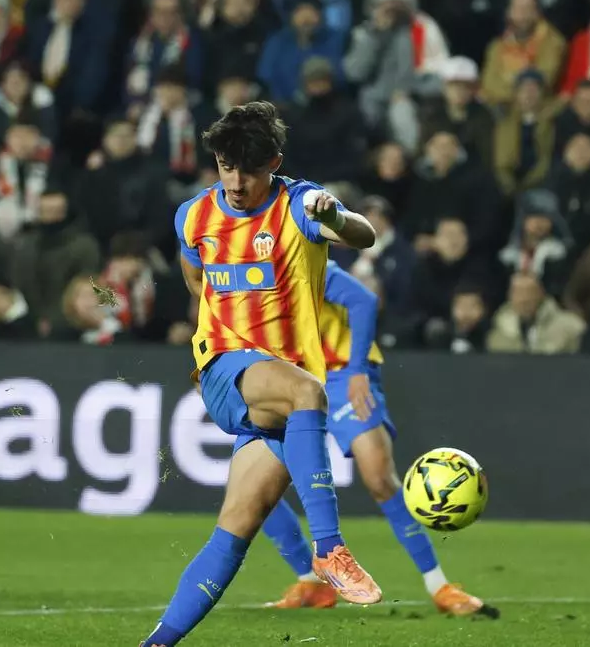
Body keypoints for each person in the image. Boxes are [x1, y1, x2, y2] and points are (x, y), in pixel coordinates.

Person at [139, 102, 380, 647]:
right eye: (226, 167)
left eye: (249, 170)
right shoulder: (194, 216)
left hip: (277, 393)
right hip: (230, 370)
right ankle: (329, 548)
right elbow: (195, 279)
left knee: (233, 535)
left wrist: (336, 218)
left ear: (274, 162)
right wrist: (209, 347)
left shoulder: (300, 204)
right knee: (308, 392)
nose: (237, 182)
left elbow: (363, 236)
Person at [259, 260, 497, 618]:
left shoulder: (299, 259)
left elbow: (364, 301)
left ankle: (440, 586)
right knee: (255, 483)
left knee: (379, 477)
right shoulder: (233, 268)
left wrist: (357, 370)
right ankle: (310, 582)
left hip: (341, 374)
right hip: (286, 379)